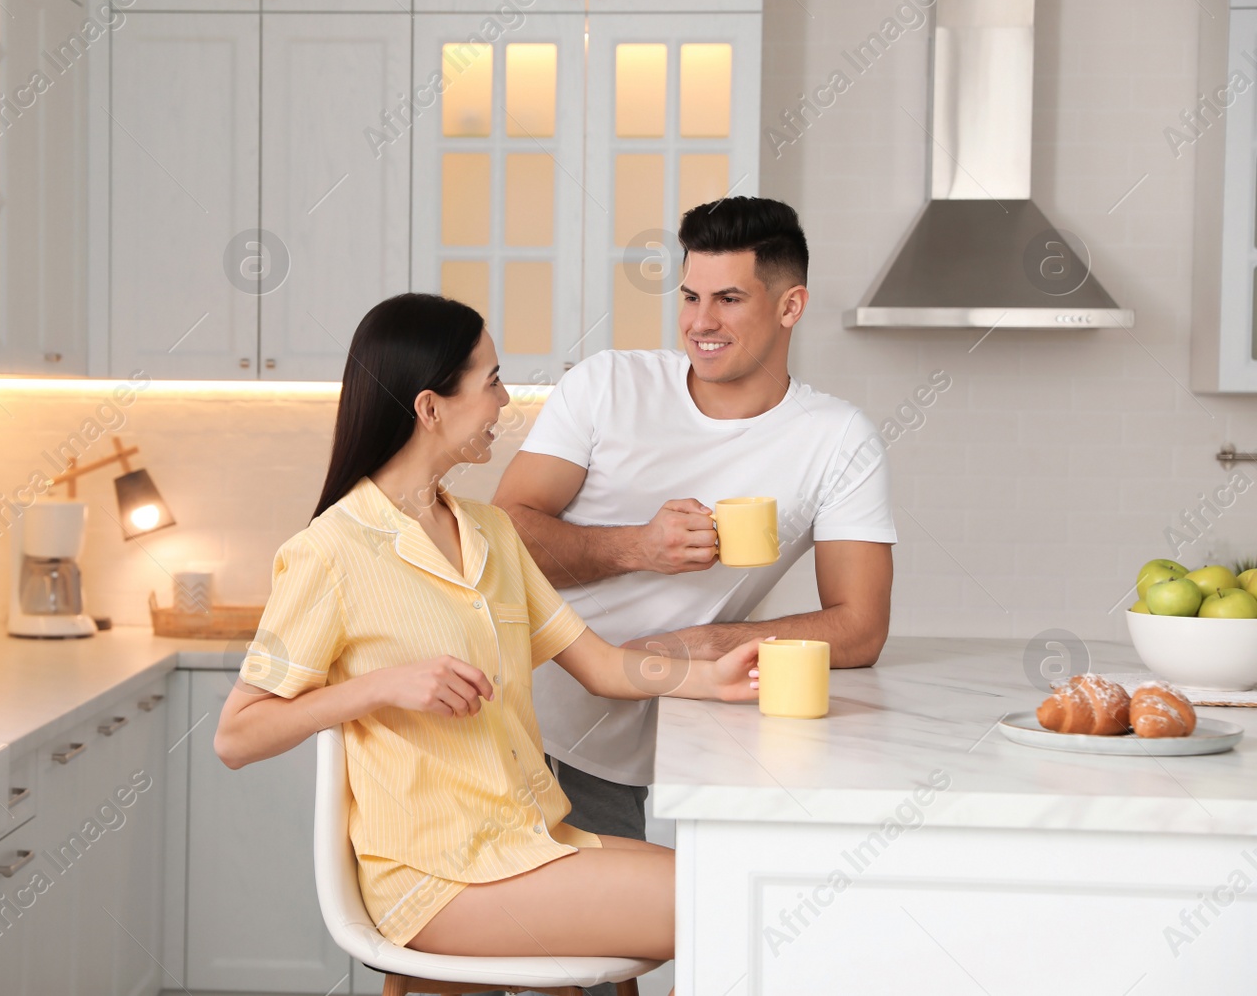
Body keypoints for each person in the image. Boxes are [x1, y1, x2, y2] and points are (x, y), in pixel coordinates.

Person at [214, 292, 763, 961]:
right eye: (492, 381)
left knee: (751, 891)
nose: (505, 401)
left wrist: (716, 679)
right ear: (430, 406)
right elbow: (236, 736)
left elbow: (602, 665)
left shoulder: (492, 533)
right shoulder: (329, 551)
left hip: (531, 838)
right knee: (731, 906)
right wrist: (381, 686)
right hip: (437, 877)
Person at [493, 196, 897, 845]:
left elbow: (859, 625)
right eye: (689, 296)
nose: (700, 322)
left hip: (659, 739)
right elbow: (501, 535)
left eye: (729, 299)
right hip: (519, 723)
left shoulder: (837, 438)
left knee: (662, 924)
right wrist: (638, 547)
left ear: (791, 306)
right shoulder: (607, 386)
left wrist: (697, 644)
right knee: (609, 932)